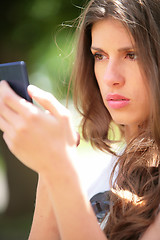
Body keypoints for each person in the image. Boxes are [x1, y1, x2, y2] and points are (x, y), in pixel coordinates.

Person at [0, 0, 160, 239]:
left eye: (131, 55)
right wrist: (49, 168)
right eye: (100, 56)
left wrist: (58, 169)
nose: (110, 77)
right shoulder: (106, 168)